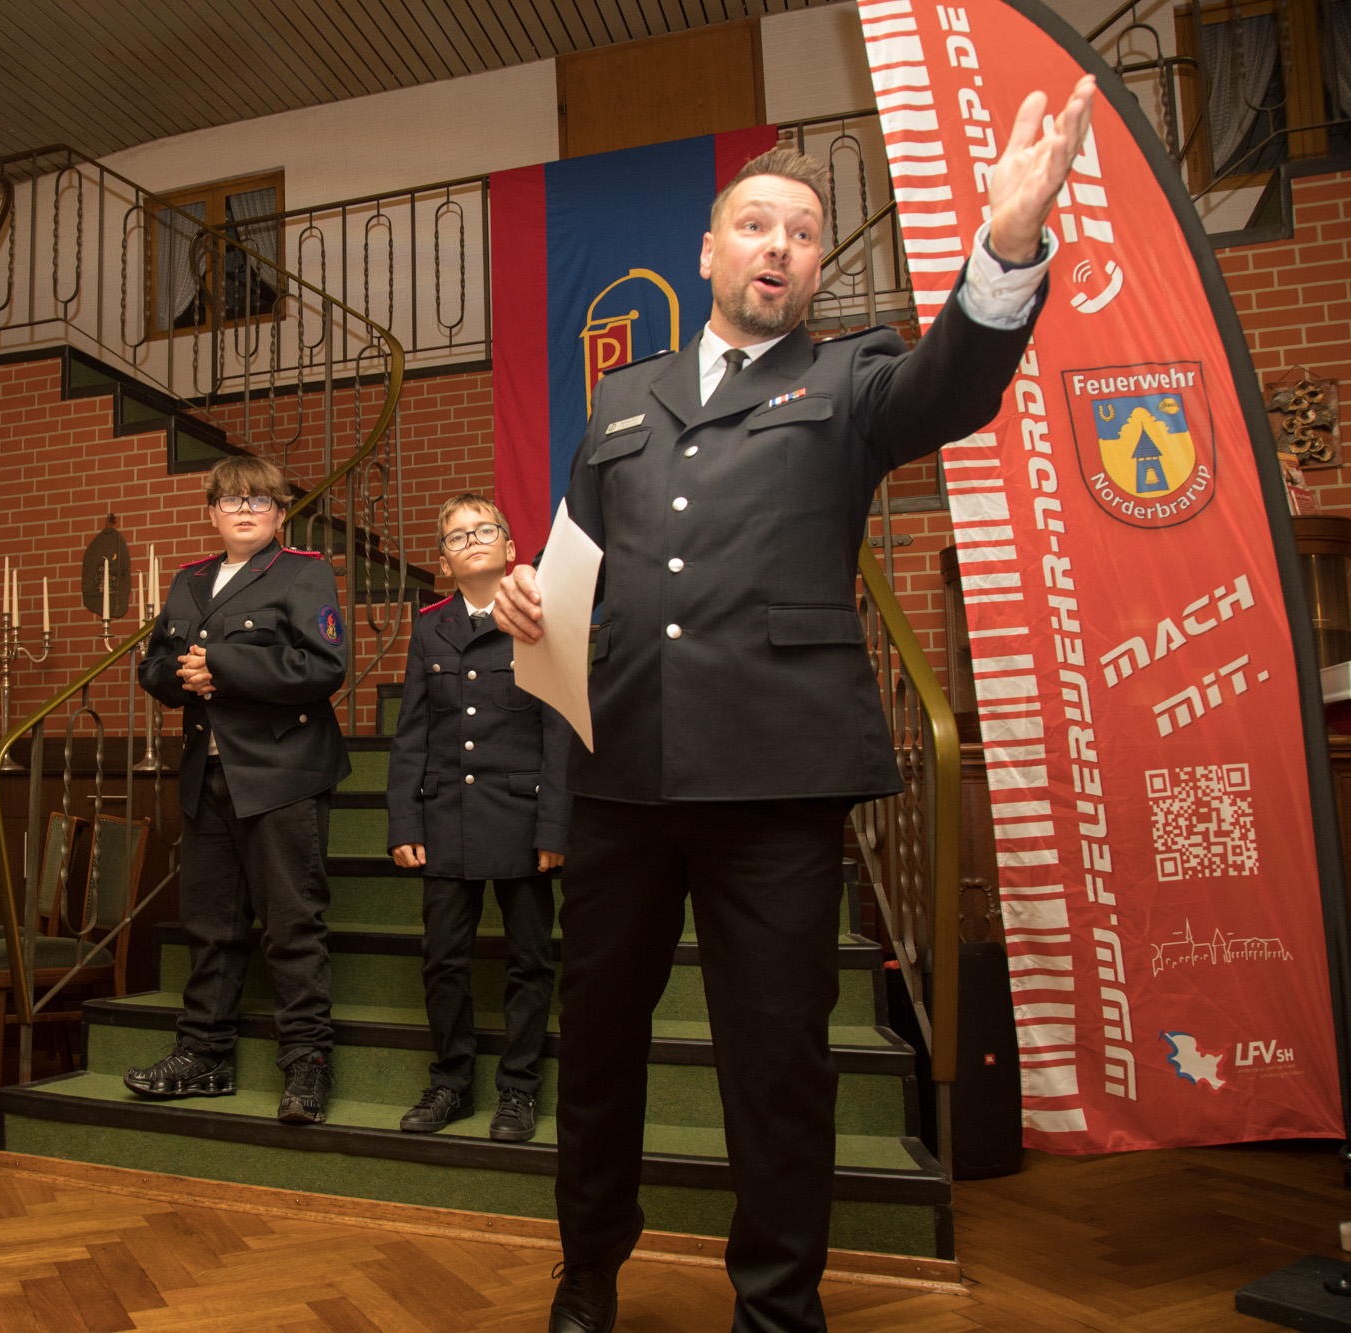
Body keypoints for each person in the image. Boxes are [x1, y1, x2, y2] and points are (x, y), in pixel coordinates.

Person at [496, 81, 1100, 1333]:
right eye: (754, 225)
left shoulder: (853, 376)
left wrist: (1006, 244)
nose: (777, 246)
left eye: (802, 233)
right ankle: (587, 1268)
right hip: (619, 774)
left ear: (817, 266)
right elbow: (579, 563)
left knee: (776, 1063)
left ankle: (775, 1306)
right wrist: (527, 599)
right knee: (595, 1044)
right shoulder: (620, 400)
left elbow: (952, 388)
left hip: (776, 779)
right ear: (706, 251)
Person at [125, 455, 350, 1123]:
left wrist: (219, 664)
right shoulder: (189, 580)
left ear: (280, 514)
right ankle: (204, 1055)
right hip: (208, 772)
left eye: (260, 500)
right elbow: (154, 664)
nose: (245, 510)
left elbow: (323, 665)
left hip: (283, 772)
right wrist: (183, 676)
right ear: (212, 512)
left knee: (291, 924)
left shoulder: (303, 571)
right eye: (231, 500)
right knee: (211, 925)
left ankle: (307, 1064)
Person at [387, 493, 569, 1143]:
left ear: (511, 548)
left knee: (529, 961)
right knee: (443, 960)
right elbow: (412, 733)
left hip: (521, 817)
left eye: (484, 530)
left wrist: (555, 826)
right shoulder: (430, 628)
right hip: (447, 818)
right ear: (443, 562)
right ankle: (451, 1082)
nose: (472, 541)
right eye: (457, 536)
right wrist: (405, 822)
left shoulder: (539, 617)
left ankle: (518, 1088)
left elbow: (559, 731)